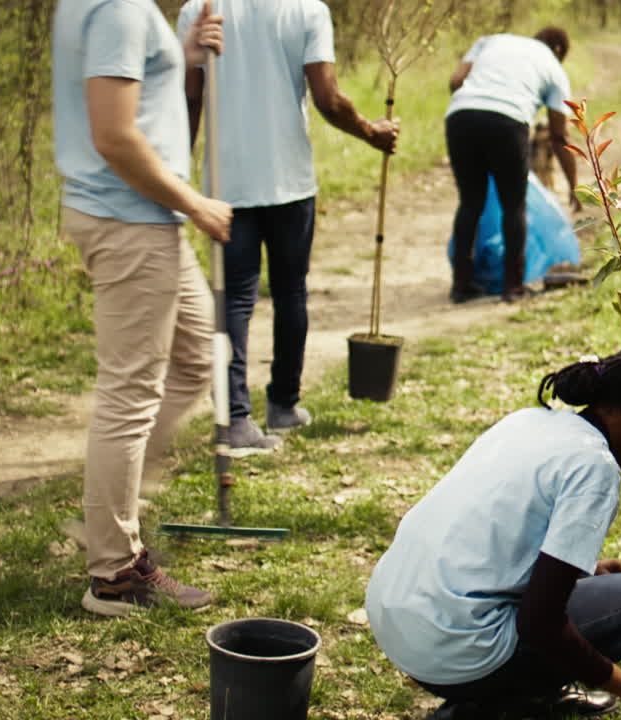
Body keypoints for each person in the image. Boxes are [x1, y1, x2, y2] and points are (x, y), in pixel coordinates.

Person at [365, 350, 621, 720]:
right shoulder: (595, 468)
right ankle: (494, 705)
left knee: (602, 590)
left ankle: (500, 697)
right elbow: (540, 622)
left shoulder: (530, 421)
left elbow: (493, 530)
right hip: (452, 649)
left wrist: (579, 569)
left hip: (395, 619)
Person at [52, 0, 229, 616]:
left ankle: (111, 508)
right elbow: (114, 136)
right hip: (129, 221)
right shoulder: (119, 10)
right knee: (130, 391)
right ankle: (115, 573)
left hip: (143, 217)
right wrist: (195, 204)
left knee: (195, 356)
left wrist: (179, 56)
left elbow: (130, 89)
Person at [176, 0, 400, 455]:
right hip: (289, 181)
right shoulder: (307, 10)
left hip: (227, 182)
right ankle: (282, 403)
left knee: (234, 299)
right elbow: (328, 99)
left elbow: (190, 97)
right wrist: (370, 133)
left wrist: (176, 174)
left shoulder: (198, 9)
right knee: (290, 292)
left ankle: (234, 418)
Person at [446, 27, 581, 305]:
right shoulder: (554, 68)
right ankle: (513, 286)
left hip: (460, 116)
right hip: (508, 121)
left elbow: (456, 80)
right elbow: (559, 136)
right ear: (558, 50)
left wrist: (478, 100)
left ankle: (461, 285)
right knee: (513, 204)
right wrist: (573, 185)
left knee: (470, 201)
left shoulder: (491, 40)